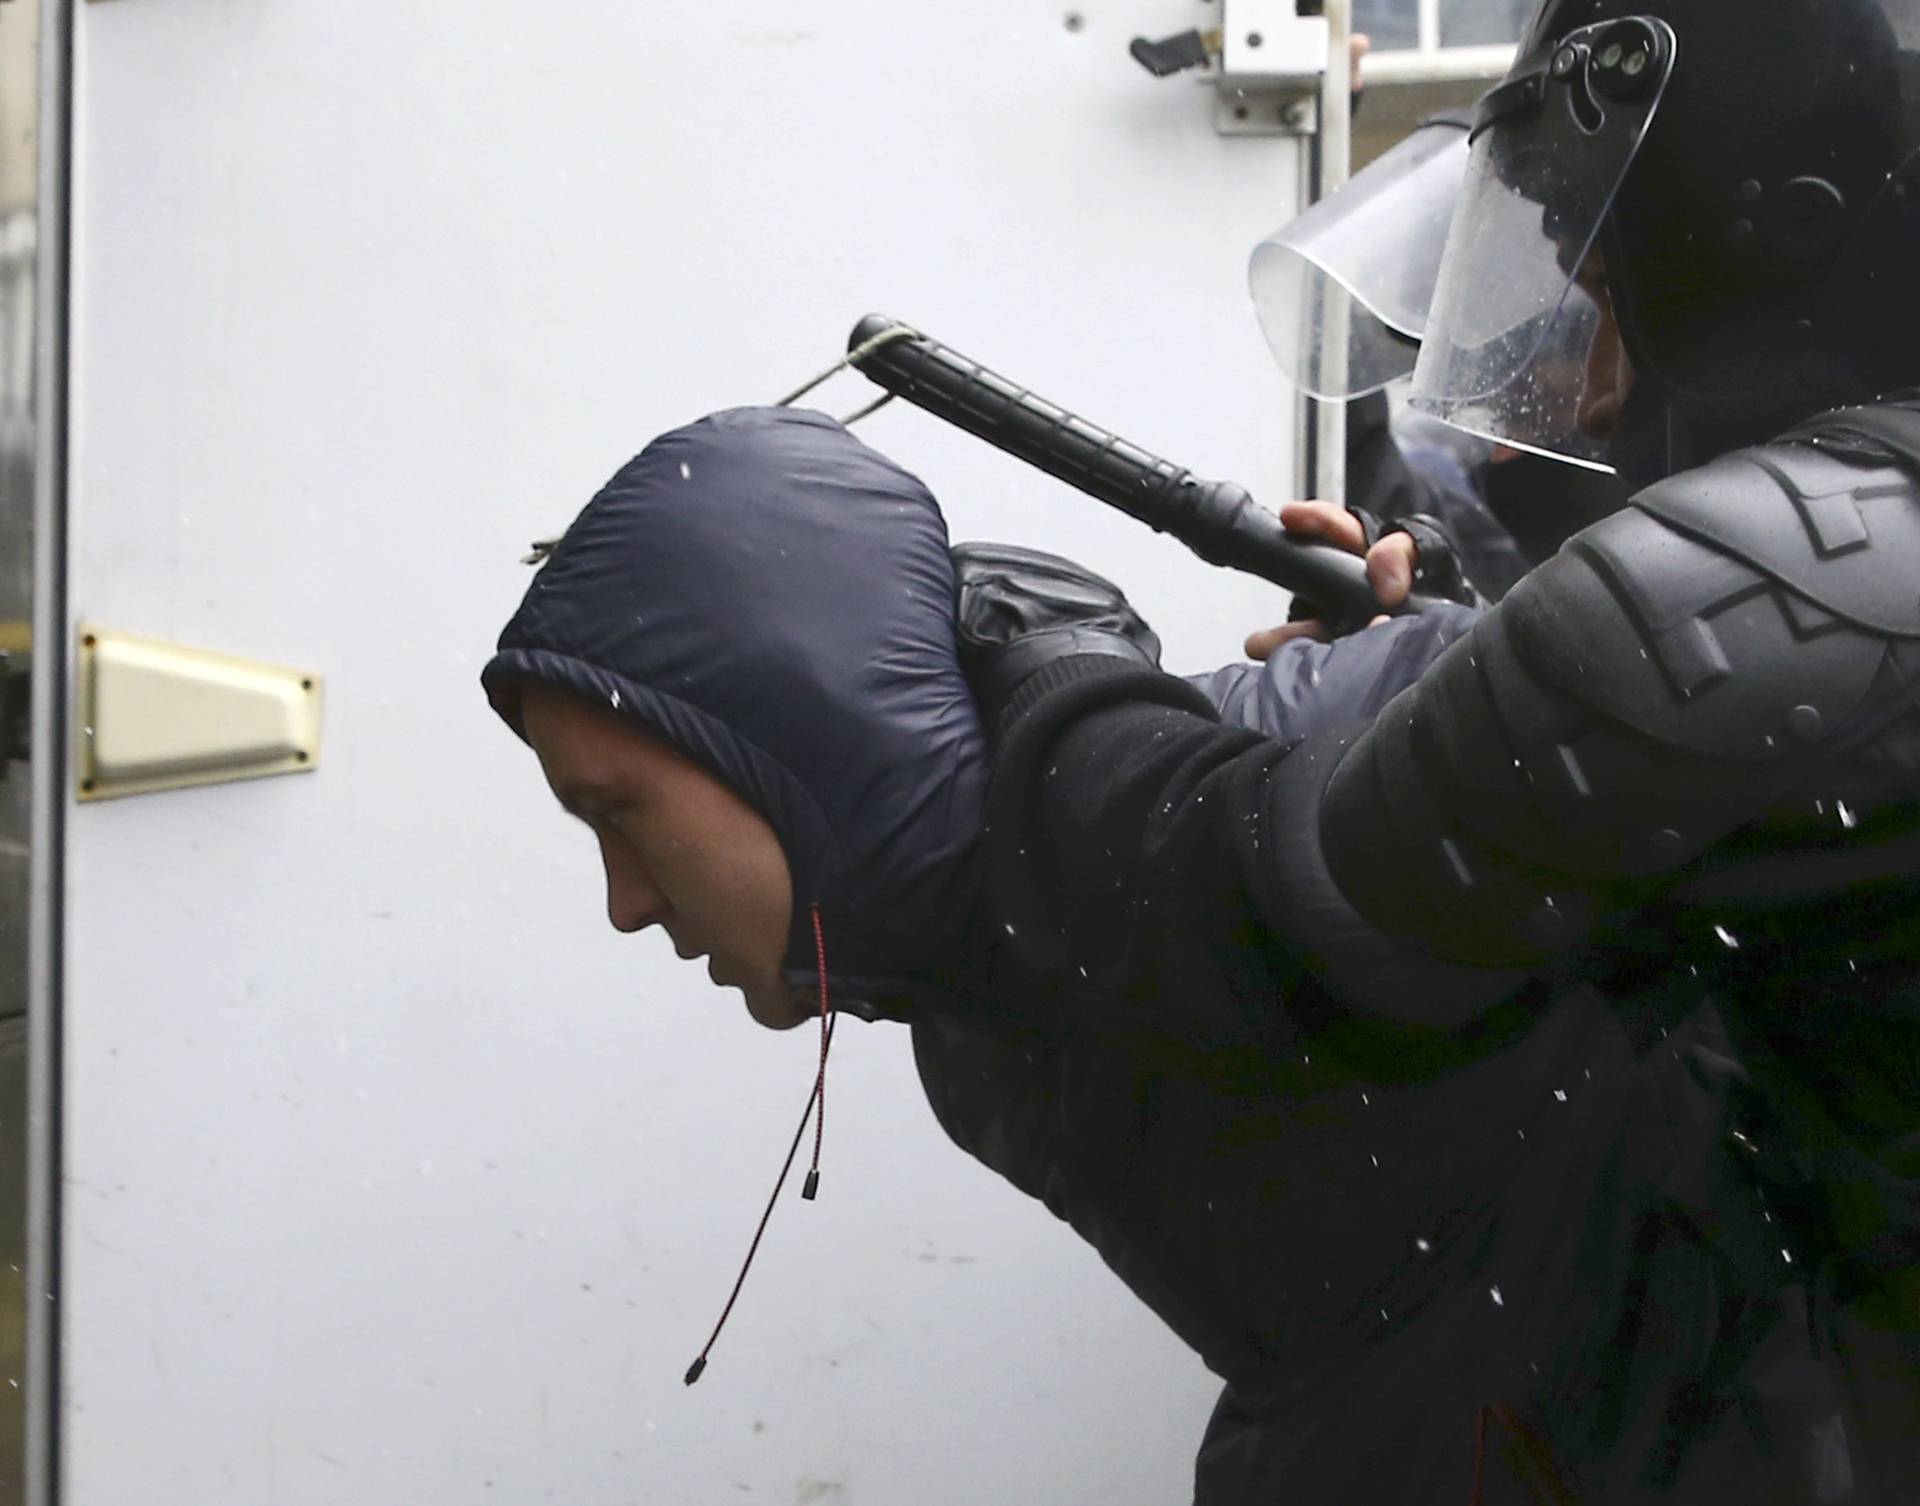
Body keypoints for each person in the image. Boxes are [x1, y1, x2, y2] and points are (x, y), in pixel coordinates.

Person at [484, 0, 1920, 1498]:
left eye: (622, 812)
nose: (624, 902)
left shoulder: (1809, 560)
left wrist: (1082, 669)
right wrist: (1468, 653)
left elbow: (1254, 902)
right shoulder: (965, 1032)